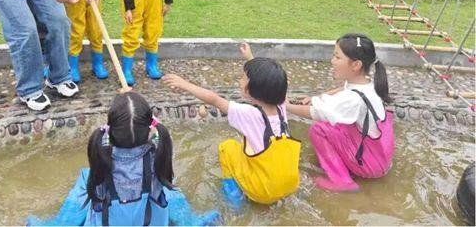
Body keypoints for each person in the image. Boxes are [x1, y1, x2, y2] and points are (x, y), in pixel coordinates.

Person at [26, 92, 220, 226]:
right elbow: (158, 131)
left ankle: (60, 224)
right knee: (166, 181)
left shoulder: (100, 157)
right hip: (150, 221)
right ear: (150, 129)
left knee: (86, 178)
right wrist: (136, 112)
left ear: (110, 130)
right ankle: (190, 221)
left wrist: (127, 111)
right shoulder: (158, 156)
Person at [163, 43, 300, 207]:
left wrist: (184, 84)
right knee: (250, 147)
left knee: (227, 148)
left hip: (262, 192)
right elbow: (268, 82)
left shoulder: (249, 114)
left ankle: (233, 198)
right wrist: (250, 58)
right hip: (290, 185)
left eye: (243, 78)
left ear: (252, 89)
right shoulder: (282, 107)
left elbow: (214, 99)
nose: (240, 80)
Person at [287, 33, 394, 192]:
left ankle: (342, 181)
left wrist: (285, 105)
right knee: (335, 123)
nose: (332, 61)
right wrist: (316, 98)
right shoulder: (368, 84)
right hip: (381, 157)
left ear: (356, 65)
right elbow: (342, 90)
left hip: (369, 166)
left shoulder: (353, 99)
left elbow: (315, 112)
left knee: (319, 129)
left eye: (337, 57)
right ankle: (349, 168)